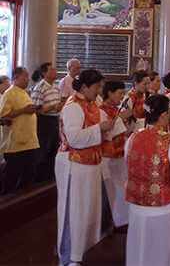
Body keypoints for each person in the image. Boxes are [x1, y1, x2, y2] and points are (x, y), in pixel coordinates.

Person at [125, 94, 170, 266]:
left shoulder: (133, 138)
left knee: (139, 247)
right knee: (163, 249)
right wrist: (167, 179)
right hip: (163, 205)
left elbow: (128, 162)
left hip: (137, 205)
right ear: (163, 115)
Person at [56, 69, 114, 265]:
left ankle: (85, 251)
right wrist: (100, 129)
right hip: (75, 163)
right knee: (76, 211)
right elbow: (74, 138)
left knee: (90, 209)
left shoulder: (92, 104)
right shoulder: (72, 107)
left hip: (91, 164)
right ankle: (72, 256)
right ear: (84, 86)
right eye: (97, 87)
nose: (99, 91)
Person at [0, 67, 39, 194]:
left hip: (30, 142)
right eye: (25, 77)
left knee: (28, 179)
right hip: (15, 145)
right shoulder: (9, 93)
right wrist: (23, 110)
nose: (28, 79)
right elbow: (3, 117)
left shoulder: (24, 92)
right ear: (16, 77)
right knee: (11, 180)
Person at [100, 81, 132, 228]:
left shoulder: (114, 110)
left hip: (119, 155)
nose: (122, 96)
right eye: (119, 93)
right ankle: (109, 224)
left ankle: (119, 221)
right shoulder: (102, 111)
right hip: (108, 157)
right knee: (110, 191)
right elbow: (106, 135)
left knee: (119, 190)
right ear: (110, 93)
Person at [31, 63, 63, 182]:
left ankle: (50, 178)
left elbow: (58, 104)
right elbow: (36, 109)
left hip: (55, 120)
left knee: (54, 149)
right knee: (43, 150)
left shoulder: (56, 86)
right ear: (44, 73)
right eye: (52, 69)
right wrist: (54, 106)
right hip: (44, 121)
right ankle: (39, 180)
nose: (55, 71)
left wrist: (60, 106)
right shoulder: (40, 87)